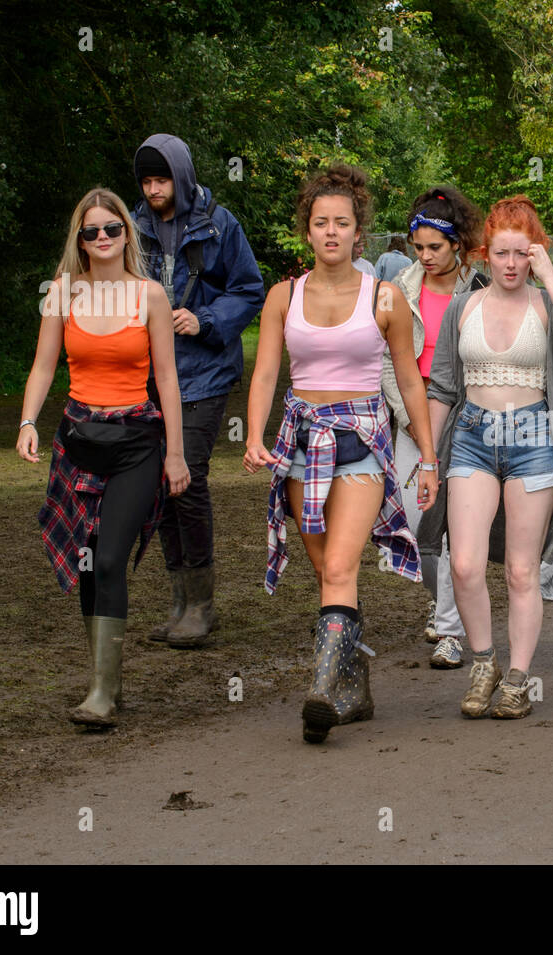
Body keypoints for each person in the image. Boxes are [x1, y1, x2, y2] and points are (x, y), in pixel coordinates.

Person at [242, 164, 439, 744]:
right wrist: (255, 435)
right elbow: (267, 372)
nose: (332, 232)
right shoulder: (283, 296)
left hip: (361, 443)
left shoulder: (384, 299)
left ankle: (324, 689)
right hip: (302, 441)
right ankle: (354, 678)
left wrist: (426, 457)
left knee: (339, 567)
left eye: (343, 223)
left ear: (359, 232)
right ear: (307, 230)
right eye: (321, 222)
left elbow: (408, 380)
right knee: (326, 569)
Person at [18, 188, 191, 728]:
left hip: (137, 442)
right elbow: (45, 366)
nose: (101, 239)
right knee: (88, 561)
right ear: (80, 239)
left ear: (125, 234)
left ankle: (100, 692)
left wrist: (177, 455)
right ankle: (105, 681)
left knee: (112, 557)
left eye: (110, 230)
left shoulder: (151, 297)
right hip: (78, 441)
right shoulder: (62, 294)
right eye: (90, 232)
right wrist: (28, 421)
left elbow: (167, 378)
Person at [420, 196, 553, 721]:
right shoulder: (462, 307)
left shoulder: (545, 305)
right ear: (484, 255)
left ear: (535, 254)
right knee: (465, 563)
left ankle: (518, 678)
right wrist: (428, 460)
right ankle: (483, 662)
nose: (512, 264)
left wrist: (550, 273)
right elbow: (443, 386)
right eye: (503, 253)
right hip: (471, 434)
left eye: (523, 254)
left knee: (522, 571)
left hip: (534, 436)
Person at [132, 135, 265, 649]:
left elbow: (249, 289)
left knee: (188, 478)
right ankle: (180, 601)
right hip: (148, 376)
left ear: (181, 177)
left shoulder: (220, 224)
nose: (153, 190)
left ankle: (202, 606)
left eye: (161, 179)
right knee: (159, 487)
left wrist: (204, 318)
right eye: (146, 181)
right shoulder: (134, 224)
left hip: (204, 371)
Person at [379, 185, 488, 669]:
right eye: (417, 247)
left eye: (435, 248)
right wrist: (410, 418)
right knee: (416, 523)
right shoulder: (398, 288)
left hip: (465, 423)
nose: (424, 256)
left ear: (458, 243)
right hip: (412, 421)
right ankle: (442, 603)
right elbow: (385, 364)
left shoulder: (481, 290)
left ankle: (450, 629)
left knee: (454, 530)